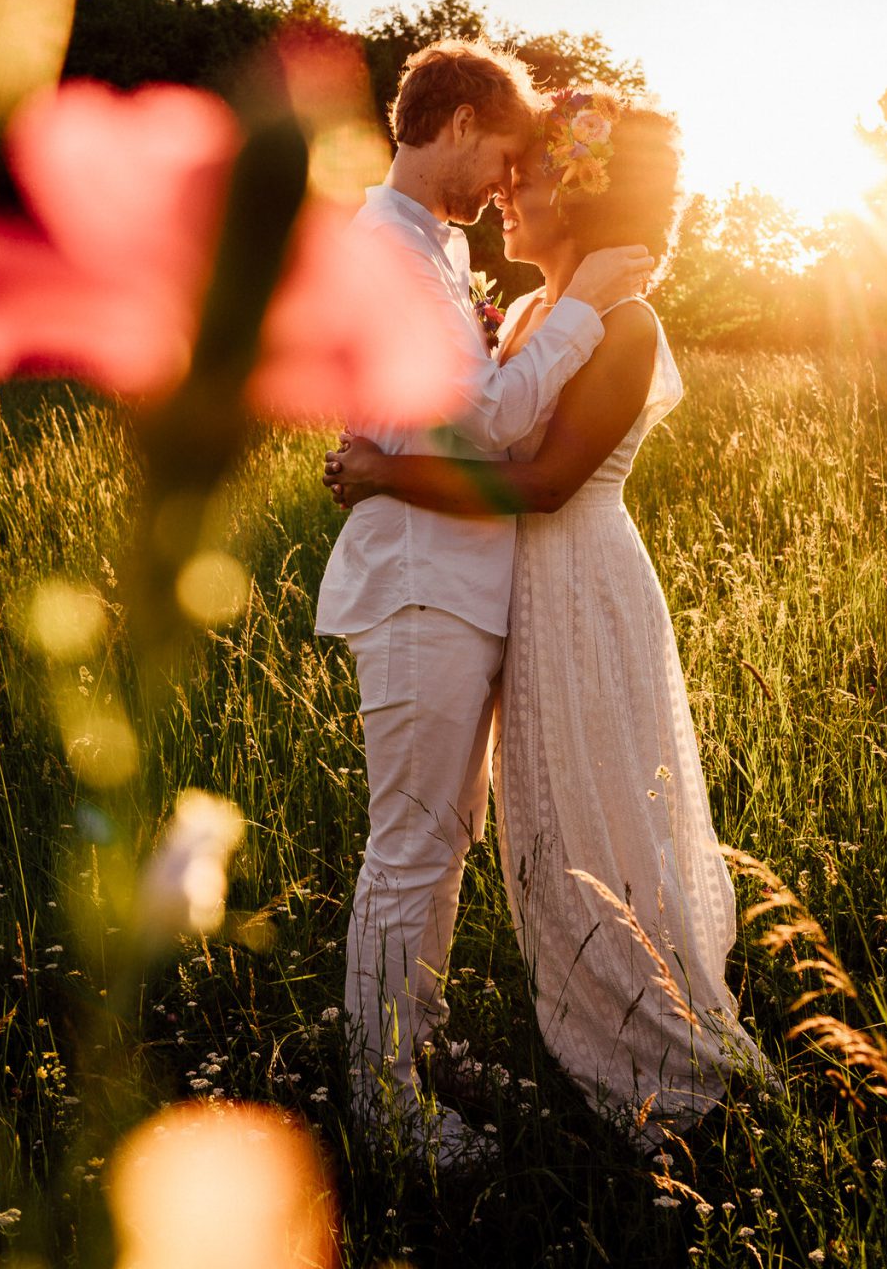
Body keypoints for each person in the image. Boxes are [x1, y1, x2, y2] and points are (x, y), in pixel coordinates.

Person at [325, 86, 765, 1149]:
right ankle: (390, 1079)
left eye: (531, 183)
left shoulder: (625, 320)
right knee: (465, 837)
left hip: (583, 587)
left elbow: (545, 481)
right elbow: (485, 422)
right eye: (506, 174)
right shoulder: (523, 311)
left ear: (579, 195)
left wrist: (388, 472)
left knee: (598, 814)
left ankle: (644, 1027)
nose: (509, 197)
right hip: (502, 593)